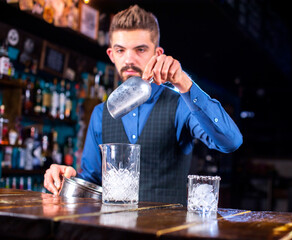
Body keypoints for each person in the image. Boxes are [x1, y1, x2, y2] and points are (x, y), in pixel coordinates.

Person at [44, 5, 243, 205]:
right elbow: (92, 182)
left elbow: (231, 141)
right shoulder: (100, 113)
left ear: (157, 53)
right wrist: (67, 179)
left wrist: (184, 82)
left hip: (167, 232)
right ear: (112, 55)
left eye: (140, 49)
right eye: (121, 50)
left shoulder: (181, 105)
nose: (129, 59)